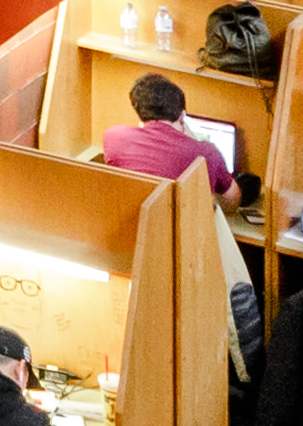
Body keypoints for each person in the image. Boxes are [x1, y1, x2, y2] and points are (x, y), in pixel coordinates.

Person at [95, 72, 264, 368]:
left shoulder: (114, 138)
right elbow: (232, 201)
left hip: (134, 248)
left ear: (139, 111)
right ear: (182, 114)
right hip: (184, 256)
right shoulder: (204, 153)